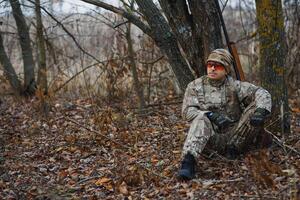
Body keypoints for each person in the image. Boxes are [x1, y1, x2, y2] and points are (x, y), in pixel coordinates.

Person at [178, 49, 272, 180]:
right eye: (210, 64)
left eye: (218, 65)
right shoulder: (195, 86)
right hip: (209, 139)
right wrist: (210, 115)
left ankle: (232, 150)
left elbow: (262, 92)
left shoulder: (235, 85)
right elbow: (187, 111)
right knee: (200, 118)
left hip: (236, 137)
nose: (212, 68)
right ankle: (188, 162)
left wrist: (261, 111)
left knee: (257, 106)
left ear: (226, 69)